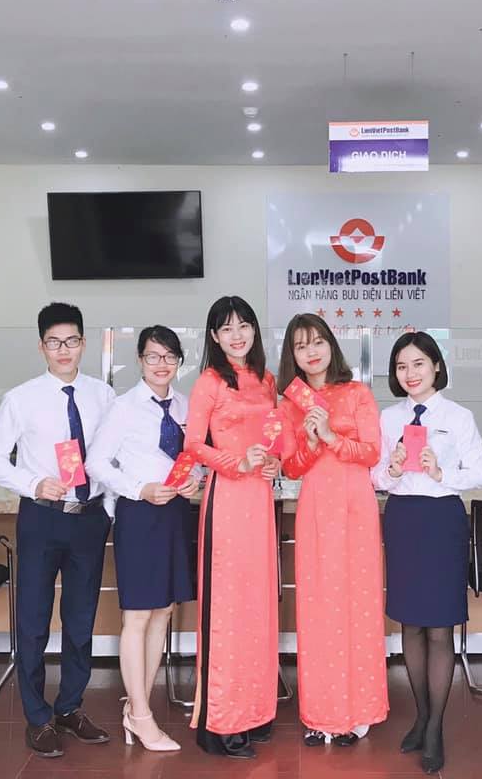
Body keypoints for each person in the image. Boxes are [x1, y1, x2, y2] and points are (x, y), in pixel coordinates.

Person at [0, 302, 115, 759]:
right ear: (41, 347)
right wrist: (33, 482)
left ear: (83, 343)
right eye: (54, 342)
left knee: (80, 620)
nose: (63, 349)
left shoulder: (103, 395)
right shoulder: (22, 398)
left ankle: (70, 706)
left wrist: (108, 507)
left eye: (71, 340)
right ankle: (38, 717)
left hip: (89, 518)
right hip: (41, 517)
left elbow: (114, 455)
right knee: (34, 622)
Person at [372, 331, 482, 775]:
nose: (411, 374)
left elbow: (481, 472)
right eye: (402, 366)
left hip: (442, 520)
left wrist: (442, 473)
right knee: (411, 623)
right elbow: (374, 477)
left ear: (436, 366)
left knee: (440, 627)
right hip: (403, 518)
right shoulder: (388, 418)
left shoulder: (458, 416)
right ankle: (421, 716)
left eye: (418, 364)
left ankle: (436, 726)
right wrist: (391, 469)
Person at [85, 325, 200, 752]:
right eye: (153, 356)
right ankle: (140, 716)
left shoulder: (187, 405)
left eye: (169, 357)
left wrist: (196, 479)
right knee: (137, 616)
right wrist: (139, 488)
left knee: (163, 612)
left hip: (176, 513)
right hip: (138, 514)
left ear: (178, 362)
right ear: (140, 360)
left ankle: (139, 705)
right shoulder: (124, 407)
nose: (161, 364)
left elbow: (194, 456)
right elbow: (96, 463)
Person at [277, 313, 389, 747]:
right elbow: (291, 467)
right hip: (316, 509)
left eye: (318, 341)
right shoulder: (289, 404)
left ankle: (359, 712)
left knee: (358, 605)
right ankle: (321, 713)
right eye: (301, 345)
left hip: (356, 507)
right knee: (318, 607)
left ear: (331, 345)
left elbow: (372, 452)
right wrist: (308, 442)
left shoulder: (357, 393)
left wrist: (329, 435)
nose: (311, 351)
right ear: (292, 355)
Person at [184, 296, 279, 759]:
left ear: (254, 330)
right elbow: (192, 444)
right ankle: (220, 722)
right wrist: (235, 462)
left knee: (259, 608)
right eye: (226, 329)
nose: (237, 335)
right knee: (227, 611)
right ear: (214, 337)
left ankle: (256, 712)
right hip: (226, 500)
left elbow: (274, 437)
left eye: (244, 326)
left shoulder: (267, 379)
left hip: (260, 499)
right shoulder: (209, 382)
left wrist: (273, 462)